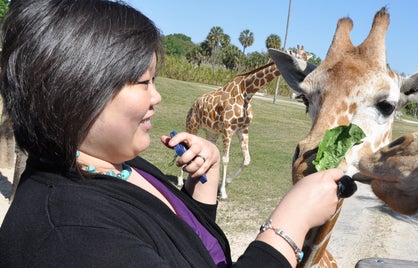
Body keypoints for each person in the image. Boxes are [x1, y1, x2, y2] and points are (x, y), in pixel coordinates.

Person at [0, 0, 344, 267]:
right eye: (143, 82)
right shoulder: (71, 237)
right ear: (79, 90)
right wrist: (289, 225)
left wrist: (204, 183)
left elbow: (185, 247)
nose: (157, 97)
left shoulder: (119, 164)